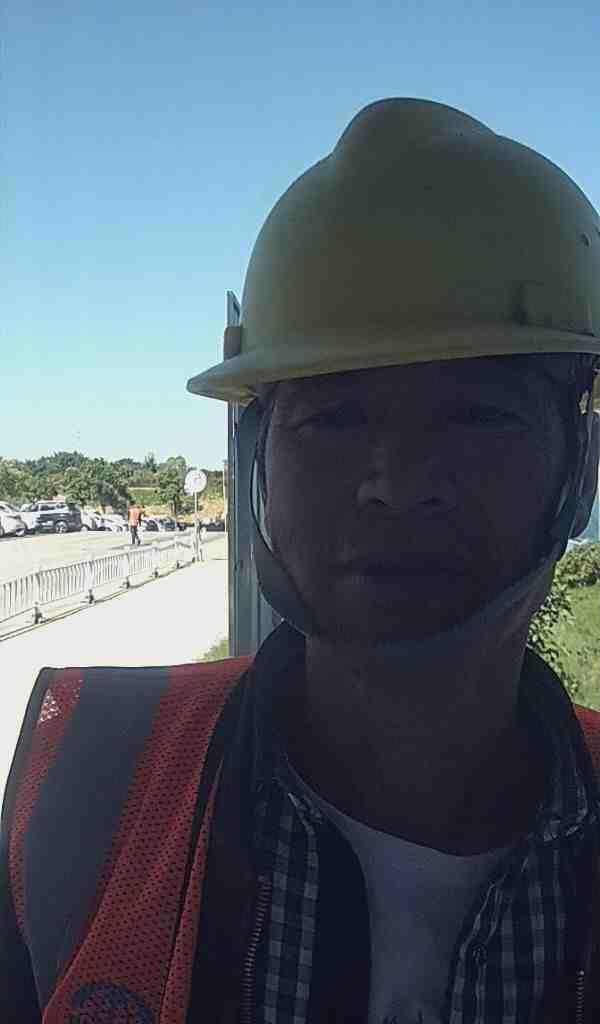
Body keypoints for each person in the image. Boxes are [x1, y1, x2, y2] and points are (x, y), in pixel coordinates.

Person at [2, 99, 600, 1023]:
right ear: (258, 459)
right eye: (335, 417)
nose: (397, 483)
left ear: (580, 465)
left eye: (479, 415)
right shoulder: (88, 786)